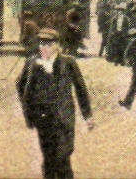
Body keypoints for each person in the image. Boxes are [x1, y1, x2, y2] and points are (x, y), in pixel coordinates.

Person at [16, 28, 94, 179]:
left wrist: (88, 115)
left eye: (48, 45)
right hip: (42, 118)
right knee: (49, 158)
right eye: (41, 44)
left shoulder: (68, 62)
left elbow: (81, 89)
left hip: (64, 117)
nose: (43, 48)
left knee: (63, 156)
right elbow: (20, 84)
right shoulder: (32, 63)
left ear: (57, 45)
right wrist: (29, 109)